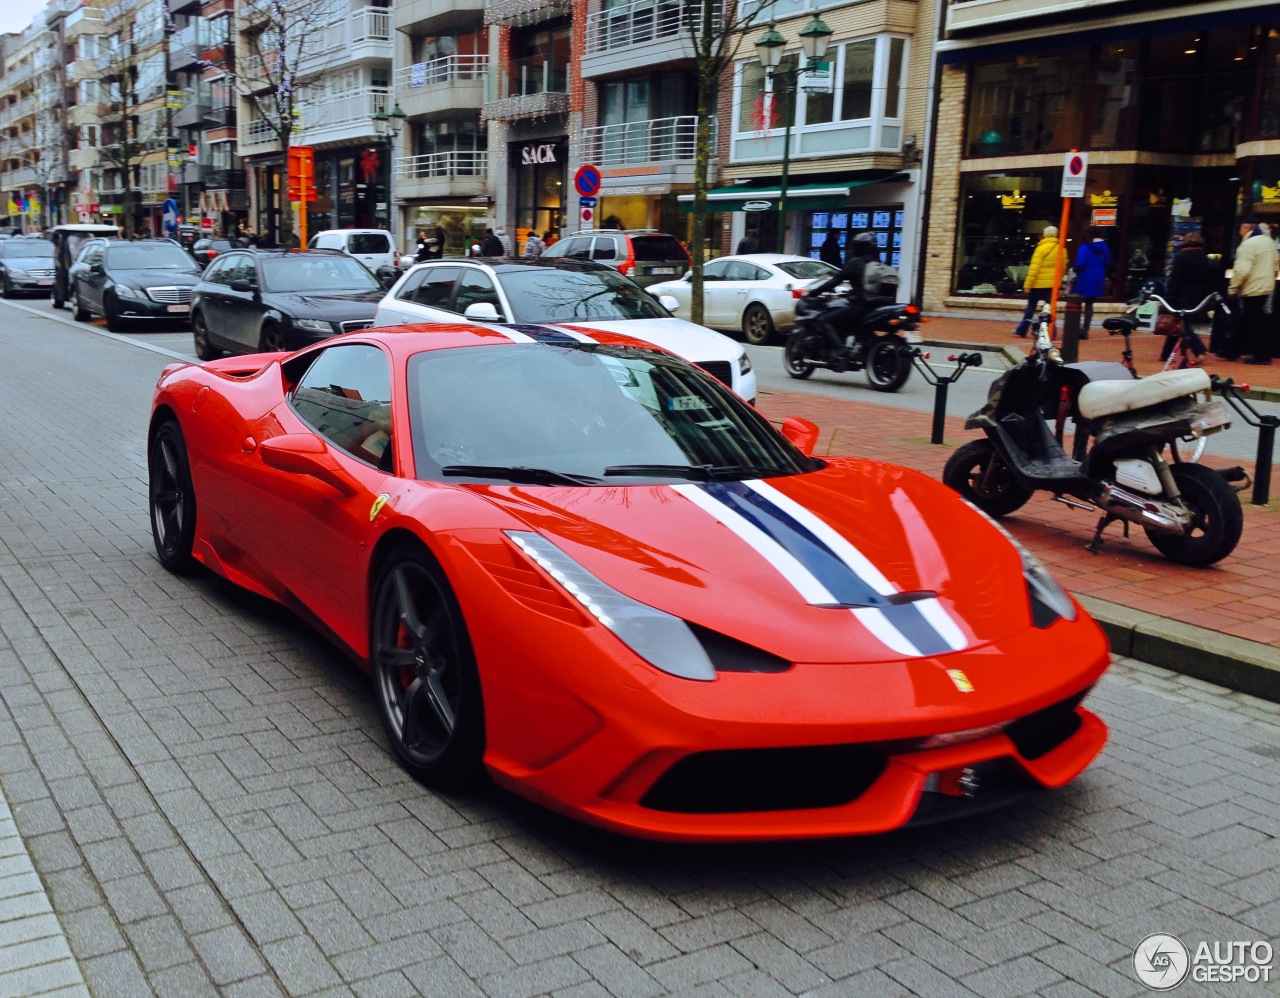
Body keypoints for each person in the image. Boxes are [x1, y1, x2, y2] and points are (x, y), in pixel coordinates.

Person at [800, 232, 878, 356]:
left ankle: (841, 349)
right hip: (874, 308)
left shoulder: (856, 263)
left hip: (859, 307)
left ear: (861, 247)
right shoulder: (878, 264)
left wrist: (812, 293)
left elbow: (834, 281)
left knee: (824, 320)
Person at [1229, 215, 1280, 365]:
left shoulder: (1248, 245)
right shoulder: (1269, 242)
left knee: (1252, 322)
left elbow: (1242, 270)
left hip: (1252, 287)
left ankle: (1262, 355)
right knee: (1248, 320)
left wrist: (1232, 288)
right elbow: (1276, 264)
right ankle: (1232, 350)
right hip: (1265, 286)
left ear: (1245, 227)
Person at [1164, 232, 1210, 363]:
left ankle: (1199, 350)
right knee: (1179, 322)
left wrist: (1169, 297)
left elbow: (1175, 278)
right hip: (1197, 293)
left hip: (1181, 293)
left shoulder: (1182, 256)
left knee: (1181, 324)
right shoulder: (1203, 257)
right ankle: (1166, 353)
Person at [1013, 225, 1065, 338]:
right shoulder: (1062, 249)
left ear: (1044, 235)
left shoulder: (1040, 249)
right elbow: (1062, 268)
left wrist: (1027, 285)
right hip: (1052, 285)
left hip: (1037, 284)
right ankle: (1052, 332)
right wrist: (1058, 283)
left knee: (1031, 308)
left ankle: (1022, 329)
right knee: (1049, 310)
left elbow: (1034, 269)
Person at [1069, 226, 1111, 338]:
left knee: (1075, 303)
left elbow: (1080, 264)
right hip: (1098, 277)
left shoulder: (1084, 247)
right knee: (1089, 305)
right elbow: (1107, 262)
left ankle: (1074, 328)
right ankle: (1085, 329)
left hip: (1084, 278)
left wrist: (1075, 270)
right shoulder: (1104, 246)